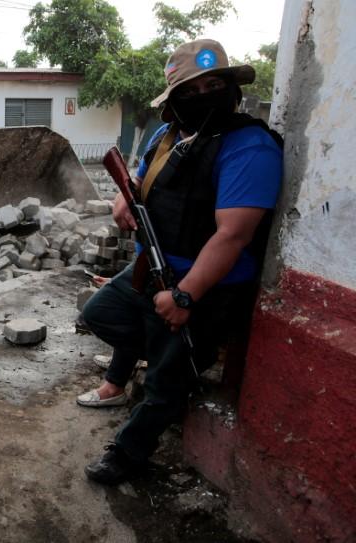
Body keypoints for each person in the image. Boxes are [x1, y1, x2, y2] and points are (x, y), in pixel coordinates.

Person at [80, 39, 283, 485]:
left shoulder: (249, 146)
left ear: (230, 87)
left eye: (213, 84)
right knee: (98, 314)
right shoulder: (166, 135)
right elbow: (136, 179)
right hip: (149, 272)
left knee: (166, 384)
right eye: (189, 91)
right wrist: (122, 199)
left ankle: (129, 454)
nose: (202, 96)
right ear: (174, 102)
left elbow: (234, 234)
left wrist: (186, 294)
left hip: (205, 287)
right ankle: (152, 362)